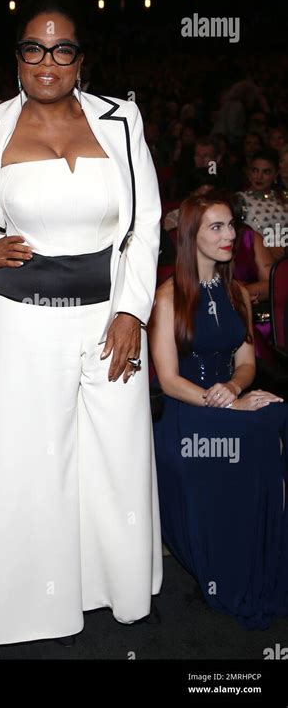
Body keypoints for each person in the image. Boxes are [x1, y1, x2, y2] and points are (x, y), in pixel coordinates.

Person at [0, 0, 163, 645]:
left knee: (118, 448)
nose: (46, 60)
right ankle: (36, 608)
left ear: (81, 60)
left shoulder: (122, 118)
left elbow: (146, 222)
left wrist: (133, 308)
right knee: (35, 456)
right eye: (33, 48)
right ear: (18, 57)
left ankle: (117, 588)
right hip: (24, 320)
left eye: (61, 49)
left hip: (110, 315)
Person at [149, 191, 287, 630]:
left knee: (276, 415)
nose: (230, 235)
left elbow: (247, 363)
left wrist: (233, 387)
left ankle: (263, 559)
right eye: (217, 227)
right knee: (250, 432)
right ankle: (228, 567)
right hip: (184, 410)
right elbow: (168, 379)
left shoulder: (237, 294)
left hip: (225, 398)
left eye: (231, 225)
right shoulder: (167, 297)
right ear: (191, 236)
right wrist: (223, 402)